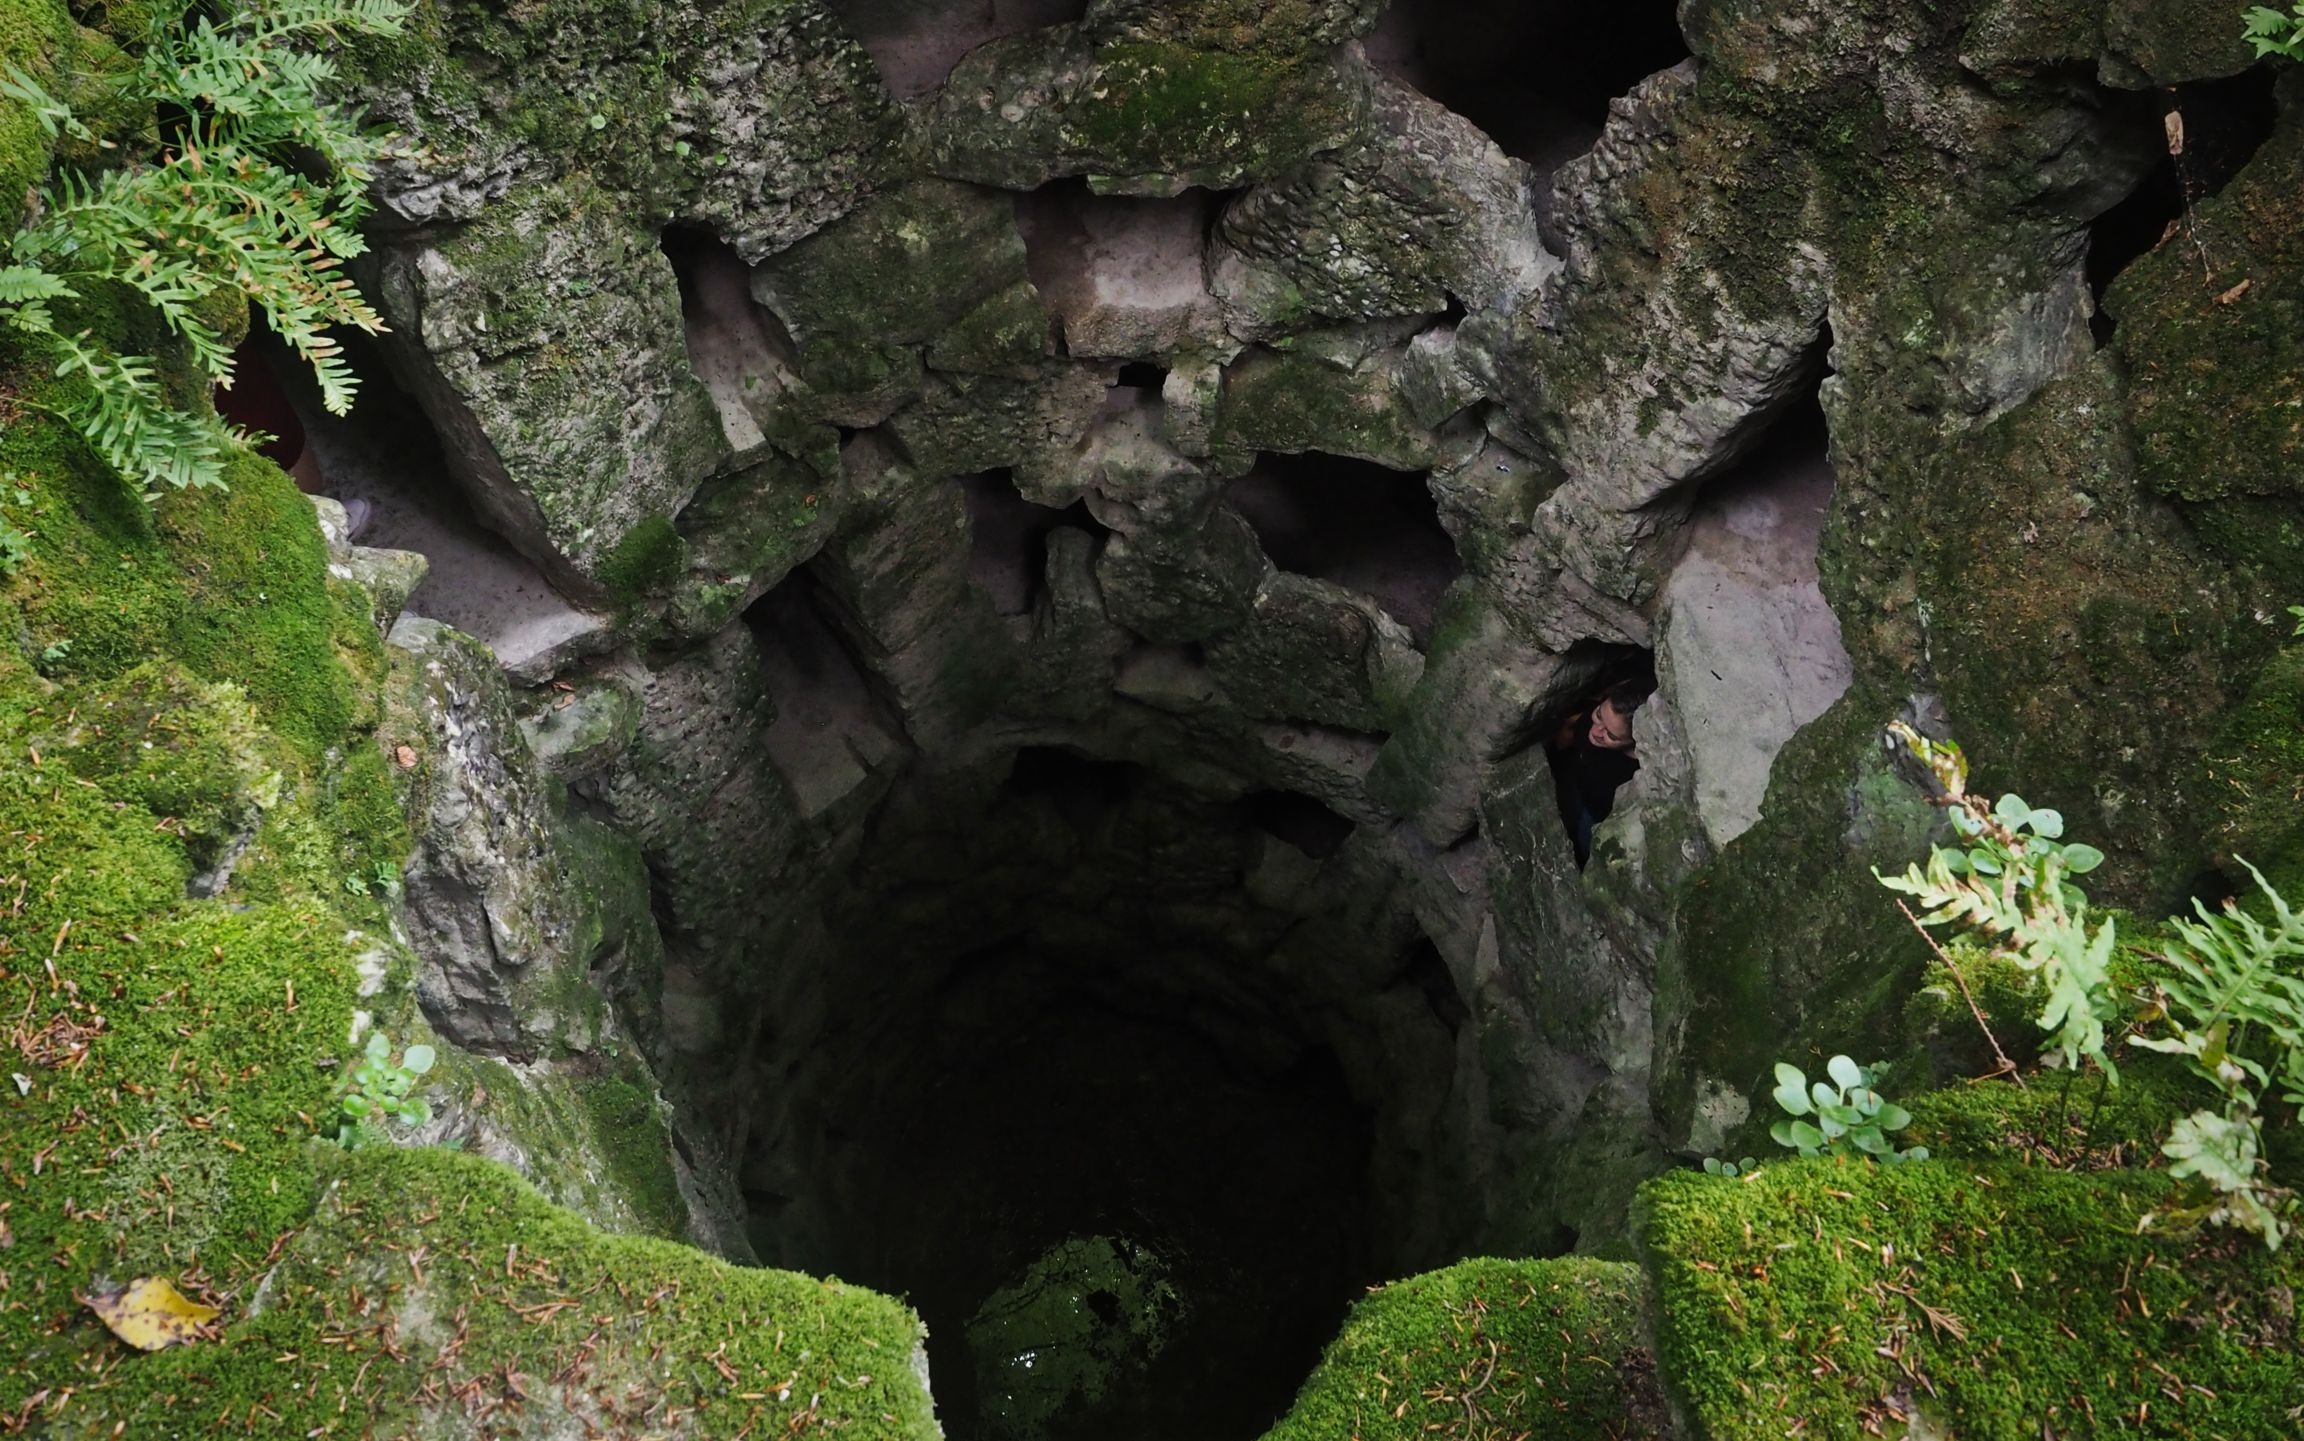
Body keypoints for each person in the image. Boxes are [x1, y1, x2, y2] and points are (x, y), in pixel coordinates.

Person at [1548, 679, 1649, 867]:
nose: (1596, 731)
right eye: (1598, 715)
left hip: (1597, 815)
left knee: (1586, 841)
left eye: (1611, 735)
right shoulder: (1606, 716)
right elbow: (1583, 721)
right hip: (1580, 782)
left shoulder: (1634, 775)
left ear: (1636, 740)